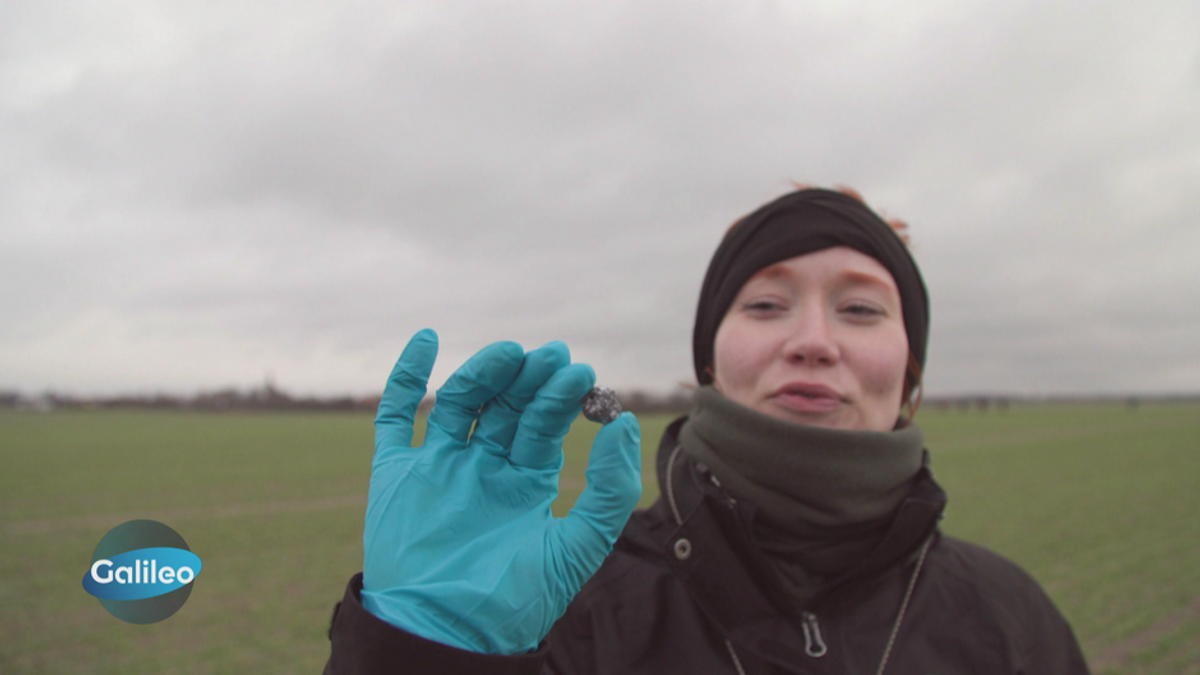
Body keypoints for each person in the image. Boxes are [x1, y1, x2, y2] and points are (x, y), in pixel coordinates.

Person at [323, 188, 1091, 674]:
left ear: (911, 372)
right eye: (765, 304)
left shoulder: (1009, 621)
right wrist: (424, 649)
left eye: (860, 308)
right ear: (709, 363)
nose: (814, 339)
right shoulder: (574, 609)